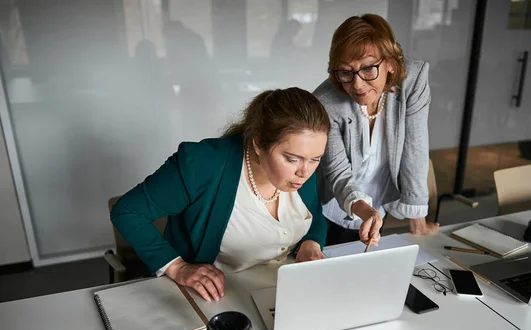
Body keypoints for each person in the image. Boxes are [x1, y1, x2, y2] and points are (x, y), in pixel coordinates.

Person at [111, 88, 330, 302]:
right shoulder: (201, 165)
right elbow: (127, 211)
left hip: (283, 289)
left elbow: (314, 215)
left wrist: (311, 242)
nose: (305, 172)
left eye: (315, 159)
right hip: (214, 296)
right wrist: (177, 267)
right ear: (258, 144)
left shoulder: (302, 168)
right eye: (292, 159)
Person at [314, 14, 439, 247]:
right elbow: (338, 173)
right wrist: (365, 211)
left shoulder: (412, 81)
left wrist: (417, 219)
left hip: (380, 201)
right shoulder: (325, 102)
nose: (357, 84)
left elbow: (415, 148)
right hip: (330, 205)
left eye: (369, 69)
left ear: (391, 62)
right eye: (345, 72)